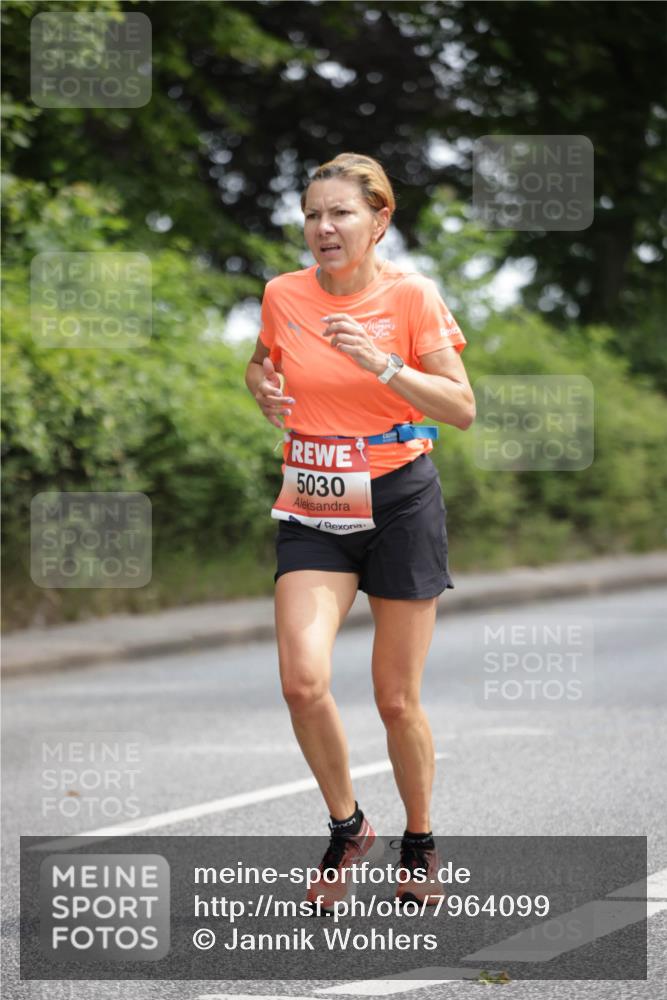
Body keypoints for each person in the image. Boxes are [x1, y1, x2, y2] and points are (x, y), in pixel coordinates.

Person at [244, 153, 475, 911]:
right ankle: (348, 827)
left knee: (394, 698)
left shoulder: (411, 297)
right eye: (312, 214)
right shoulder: (282, 294)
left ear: (379, 220)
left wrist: (382, 364)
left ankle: (420, 839)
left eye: (339, 213)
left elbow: (459, 405)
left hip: (400, 499)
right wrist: (266, 394)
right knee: (302, 680)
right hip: (315, 500)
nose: (322, 227)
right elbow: (259, 365)